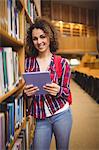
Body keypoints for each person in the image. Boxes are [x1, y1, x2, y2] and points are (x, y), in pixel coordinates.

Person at [24, 17, 72, 150]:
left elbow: (67, 92)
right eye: (35, 38)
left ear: (49, 37)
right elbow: (25, 92)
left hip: (61, 114)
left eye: (42, 37)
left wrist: (58, 90)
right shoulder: (27, 63)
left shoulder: (62, 63)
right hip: (41, 118)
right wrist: (27, 94)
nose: (39, 42)